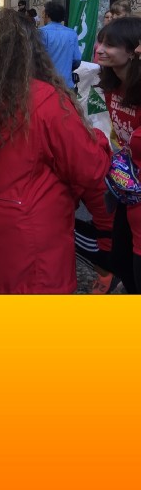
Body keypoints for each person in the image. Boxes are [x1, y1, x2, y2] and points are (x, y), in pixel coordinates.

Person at [0, 8, 112, 294]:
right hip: (31, 246)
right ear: (33, 51)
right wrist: (100, 139)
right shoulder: (46, 101)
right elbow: (91, 171)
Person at [94, 15, 141, 293]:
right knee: (121, 260)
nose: (100, 49)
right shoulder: (112, 87)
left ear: (133, 51)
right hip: (127, 189)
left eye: (110, 44)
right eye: (100, 42)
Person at [39, 0, 82, 88]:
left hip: (47, 84)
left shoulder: (41, 33)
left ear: (47, 15)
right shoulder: (72, 33)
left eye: (43, 14)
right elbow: (77, 59)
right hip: (66, 84)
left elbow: (37, 59)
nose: (42, 17)